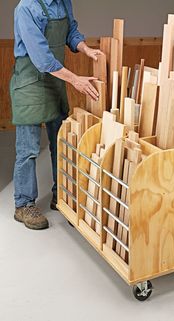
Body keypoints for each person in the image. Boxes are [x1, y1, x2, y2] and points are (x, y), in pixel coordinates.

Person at [10, 0, 103, 230]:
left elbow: (71, 31)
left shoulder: (63, 2)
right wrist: (75, 80)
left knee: (60, 143)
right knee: (28, 149)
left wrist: (86, 48)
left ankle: (60, 195)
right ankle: (24, 204)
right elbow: (41, 59)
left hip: (56, 80)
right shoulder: (26, 8)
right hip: (30, 83)